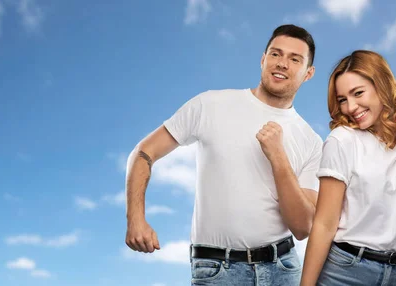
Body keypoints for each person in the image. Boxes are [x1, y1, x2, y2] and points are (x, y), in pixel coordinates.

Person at [125, 24, 322, 285]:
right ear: (263, 59)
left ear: (308, 73)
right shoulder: (210, 104)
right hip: (217, 270)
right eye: (276, 54)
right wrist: (135, 219)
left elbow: (302, 227)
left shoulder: (311, 141)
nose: (282, 63)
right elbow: (144, 152)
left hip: (282, 269)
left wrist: (278, 157)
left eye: (294, 59)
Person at [300, 50, 396, 286]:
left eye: (358, 93)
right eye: (342, 99)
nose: (351, 107)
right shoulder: (342, 140)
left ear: (381, 85)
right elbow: (324, 224)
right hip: (345, 272)